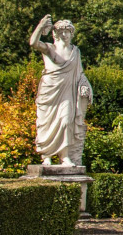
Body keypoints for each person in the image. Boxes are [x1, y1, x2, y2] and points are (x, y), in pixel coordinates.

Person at [28, 15, 92, 167]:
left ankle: (64, 157)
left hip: (67, 92)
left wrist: (85, 84)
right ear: (55, 34)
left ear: (71, 33)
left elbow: (80, 73)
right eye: (61, 31)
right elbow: (33, 43)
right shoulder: (50, 48)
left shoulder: (75, 52)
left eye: (67, 31)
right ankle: (47, 156)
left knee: (66, 121)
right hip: (50, 91)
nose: (64, 34)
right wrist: (40, 25)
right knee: (47, 123)